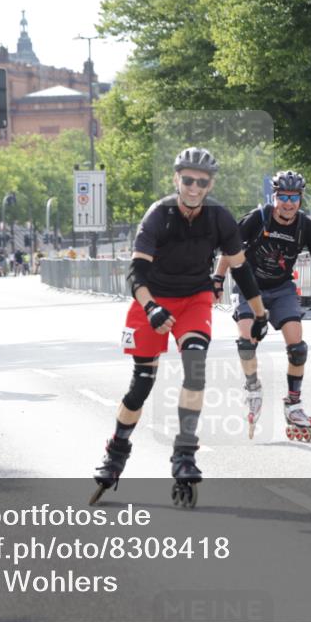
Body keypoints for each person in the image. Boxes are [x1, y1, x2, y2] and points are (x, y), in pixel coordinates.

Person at [90, 147, 270, 508]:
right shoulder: (159, 215)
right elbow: (136, 274)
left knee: (195, 368)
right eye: (187, 180)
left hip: (194, 299)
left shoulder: (219, 217)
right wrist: (152, 307)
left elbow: (240, 268)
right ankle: (117, 451)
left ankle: (184, 453)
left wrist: (260, 312)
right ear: (177, 179)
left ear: (210, 184)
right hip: (151, 299)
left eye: (201, 182)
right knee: (141, 385)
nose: (193, 187)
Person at [213, 170, 311, 442]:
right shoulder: (258, 218)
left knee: (298, 348)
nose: (288, 203)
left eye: (293, 197)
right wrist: (217, 279)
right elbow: (230, 249)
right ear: (274, 197)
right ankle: (253, 388)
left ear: (300, 199)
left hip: (282, 288)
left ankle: (293, 405)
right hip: (250, 287)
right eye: (282, 197)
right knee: (247, 341)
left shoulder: (306, 228)